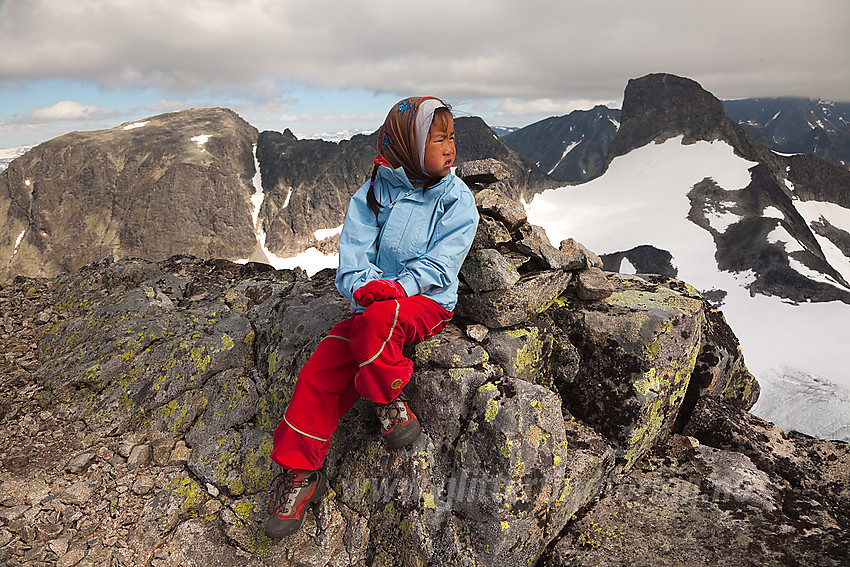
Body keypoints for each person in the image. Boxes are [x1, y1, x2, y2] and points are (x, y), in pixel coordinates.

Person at [265, 96, 480, 539]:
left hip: (427, 300)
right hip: (372, 307)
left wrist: (398, 289)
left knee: (378, 325)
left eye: (451, 138)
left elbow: (444, 264)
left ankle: (388, 399)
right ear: (408, 144)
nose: (449, 148)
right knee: (318, 370)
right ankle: (300, 473)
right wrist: (363, 288)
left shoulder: (457, 200)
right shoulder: (372, 194)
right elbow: (351, 261)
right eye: (437, 139)